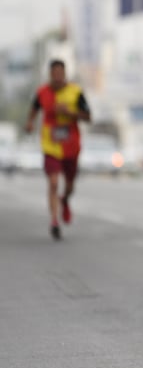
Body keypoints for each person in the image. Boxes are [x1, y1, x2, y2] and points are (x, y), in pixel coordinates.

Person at [25, 59, 92, 241]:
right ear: (50, 75)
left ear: (64, 74)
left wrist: (69, 112)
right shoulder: (42, 92)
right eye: (54, 74)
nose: (57, 77)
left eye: (60, 74)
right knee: (53, 182)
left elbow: (88, 116)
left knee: (69, 185)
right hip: (50, 144)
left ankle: (65, 200)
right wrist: (30, 123)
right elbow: (34, 109)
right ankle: (54, 221)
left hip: (71, 146)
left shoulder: (75, 92)